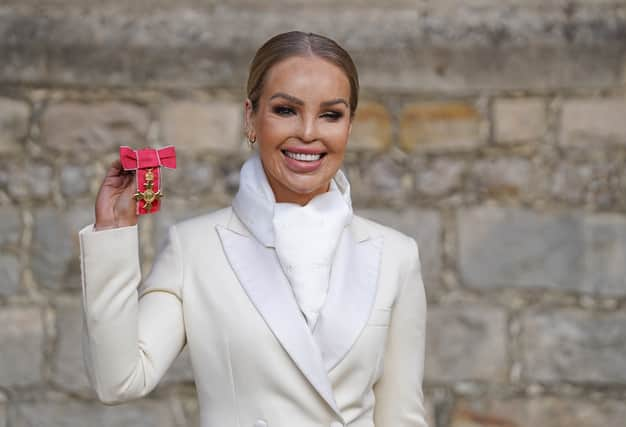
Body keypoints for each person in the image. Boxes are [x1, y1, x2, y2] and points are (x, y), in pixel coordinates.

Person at [79, 31, 428, 427]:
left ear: (349, 125)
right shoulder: (195, 249)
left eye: (331, 114)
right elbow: (118, 380)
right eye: (286, 110)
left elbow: (403, 417)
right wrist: (113, 231)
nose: (309, 133)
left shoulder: (397, 254)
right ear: (250, 117)